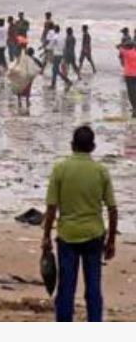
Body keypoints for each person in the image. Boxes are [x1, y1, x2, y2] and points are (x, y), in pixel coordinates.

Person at [42, 125, 117, 323]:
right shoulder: (101, 171)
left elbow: (51, 209)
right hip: (94, 235)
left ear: (72, 145)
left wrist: (46, 236)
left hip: (67, 236)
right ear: (93, 147)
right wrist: (111, 242)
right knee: (93, 287)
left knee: (66, 287)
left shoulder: (60, 169)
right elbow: (112, 209)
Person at [118, 40, 136, 117]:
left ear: (128, 47)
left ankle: (134, 108)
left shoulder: (126, 53)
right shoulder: (134, 52)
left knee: (130, 92)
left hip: (129, 75)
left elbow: (118, 48)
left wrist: (122, 45)